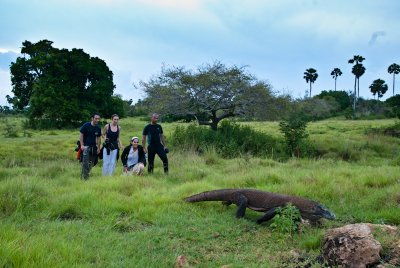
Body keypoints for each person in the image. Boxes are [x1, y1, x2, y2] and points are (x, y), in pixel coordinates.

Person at [79, 113, 102, 180]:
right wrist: (82, 145)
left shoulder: (98, 127)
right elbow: (81, 134)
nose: (97, 120)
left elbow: (98, 138)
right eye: (96, 118)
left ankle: (86, 174)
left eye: (98, 119)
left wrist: (98, 147)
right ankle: (84, 178)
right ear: (92, 118)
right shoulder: (86, 125)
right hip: (86, 146)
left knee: (93, 162)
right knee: (85, 163)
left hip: (93, 147)